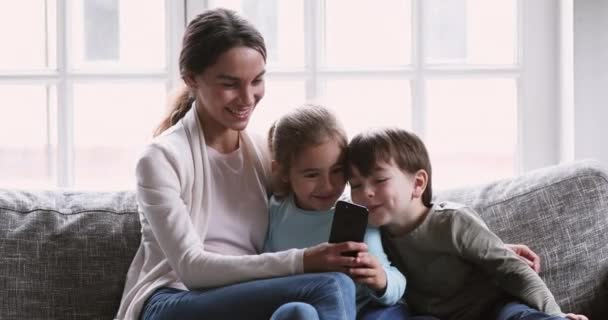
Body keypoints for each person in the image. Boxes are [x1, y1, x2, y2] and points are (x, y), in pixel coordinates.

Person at [115, 8, 368, 320]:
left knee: (299, 312)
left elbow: (312, 201)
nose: (247, 98)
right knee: (330, 286)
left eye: (257, 80)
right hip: (173, 300)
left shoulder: (262, 152)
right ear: (192, 79)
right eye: (230, 83)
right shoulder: (161, 158)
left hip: (244, 297)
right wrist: (305, 260)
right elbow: (192, 269)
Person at [345, 127, 588, 320]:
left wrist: (554, 313)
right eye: (355, 185)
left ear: (418, 183)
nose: (365, 192)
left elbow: (514, 270)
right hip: (429, 316)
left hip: (494, 309)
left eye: (379, 180)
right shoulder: (372, 234)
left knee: (519, 316)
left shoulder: (453, 222)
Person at [263, 105, 438, 320]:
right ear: (282, 173)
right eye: (311, 175)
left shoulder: (357, 216)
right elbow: (266, 271)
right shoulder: (275, 211)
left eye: (336, 171)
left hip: (366, 310)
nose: (327, 186)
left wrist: (380, 279)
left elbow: (395, 280)